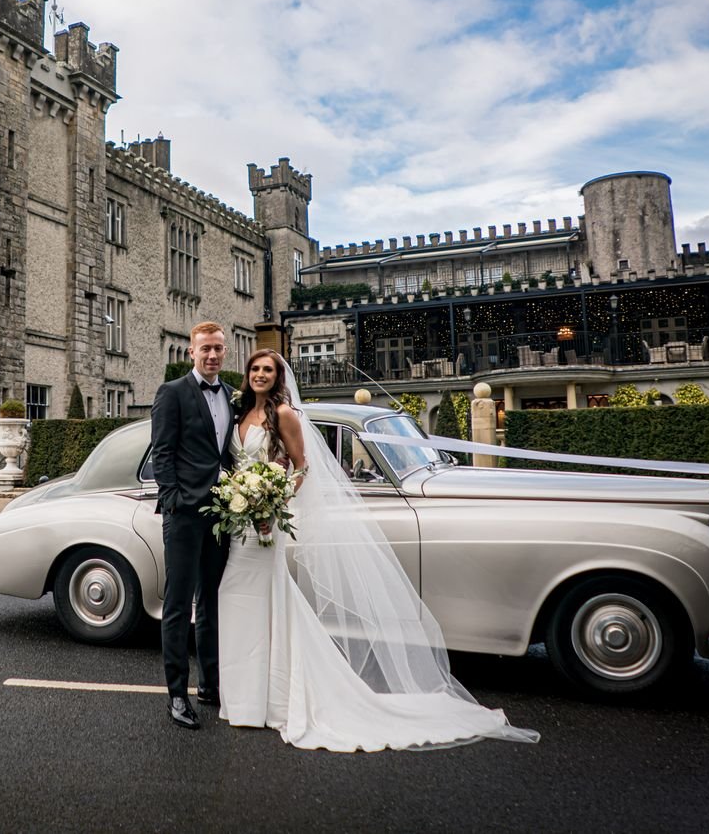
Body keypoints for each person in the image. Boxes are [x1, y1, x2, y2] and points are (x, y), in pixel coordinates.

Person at [216, 349, 539, 752]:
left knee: (267, 602)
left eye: (269, 370)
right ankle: (245, 700)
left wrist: (273, 503)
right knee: (237, 600)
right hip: (239, 520)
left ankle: (272, 697)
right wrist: (241, 496)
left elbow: (301, 466)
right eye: (255, 369)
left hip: (266, 521)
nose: (261, 374)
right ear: (247, 375)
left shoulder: (284, 415)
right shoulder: (239, 412)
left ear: (278, 377)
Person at [149, 321, 233, 730]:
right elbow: (161, 454)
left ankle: (210, 685)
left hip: (221, 513)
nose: (212, 355)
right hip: (183, 516)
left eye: (218, 348)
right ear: (191, 353)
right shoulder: (173, 393)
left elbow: (225, 455)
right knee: (179, 606)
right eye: (206, 349)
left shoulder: (231, 395)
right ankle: (177, 695)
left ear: (225, 352)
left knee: (212, 601)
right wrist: (175, 502)